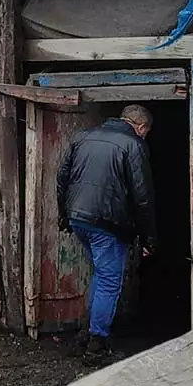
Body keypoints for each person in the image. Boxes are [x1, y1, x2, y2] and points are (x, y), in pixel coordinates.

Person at [57, 104, 157, 366]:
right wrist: (149, 238)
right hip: (107, 223)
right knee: (110, 281)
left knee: (101, 275)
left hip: (78, 218)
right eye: (146, 132)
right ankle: (96, 344)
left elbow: (62, 178)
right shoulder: (134, 144)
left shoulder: (83, 136)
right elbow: (142, 197)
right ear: (141, 126)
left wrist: (64, 216)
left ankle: (85, 333)